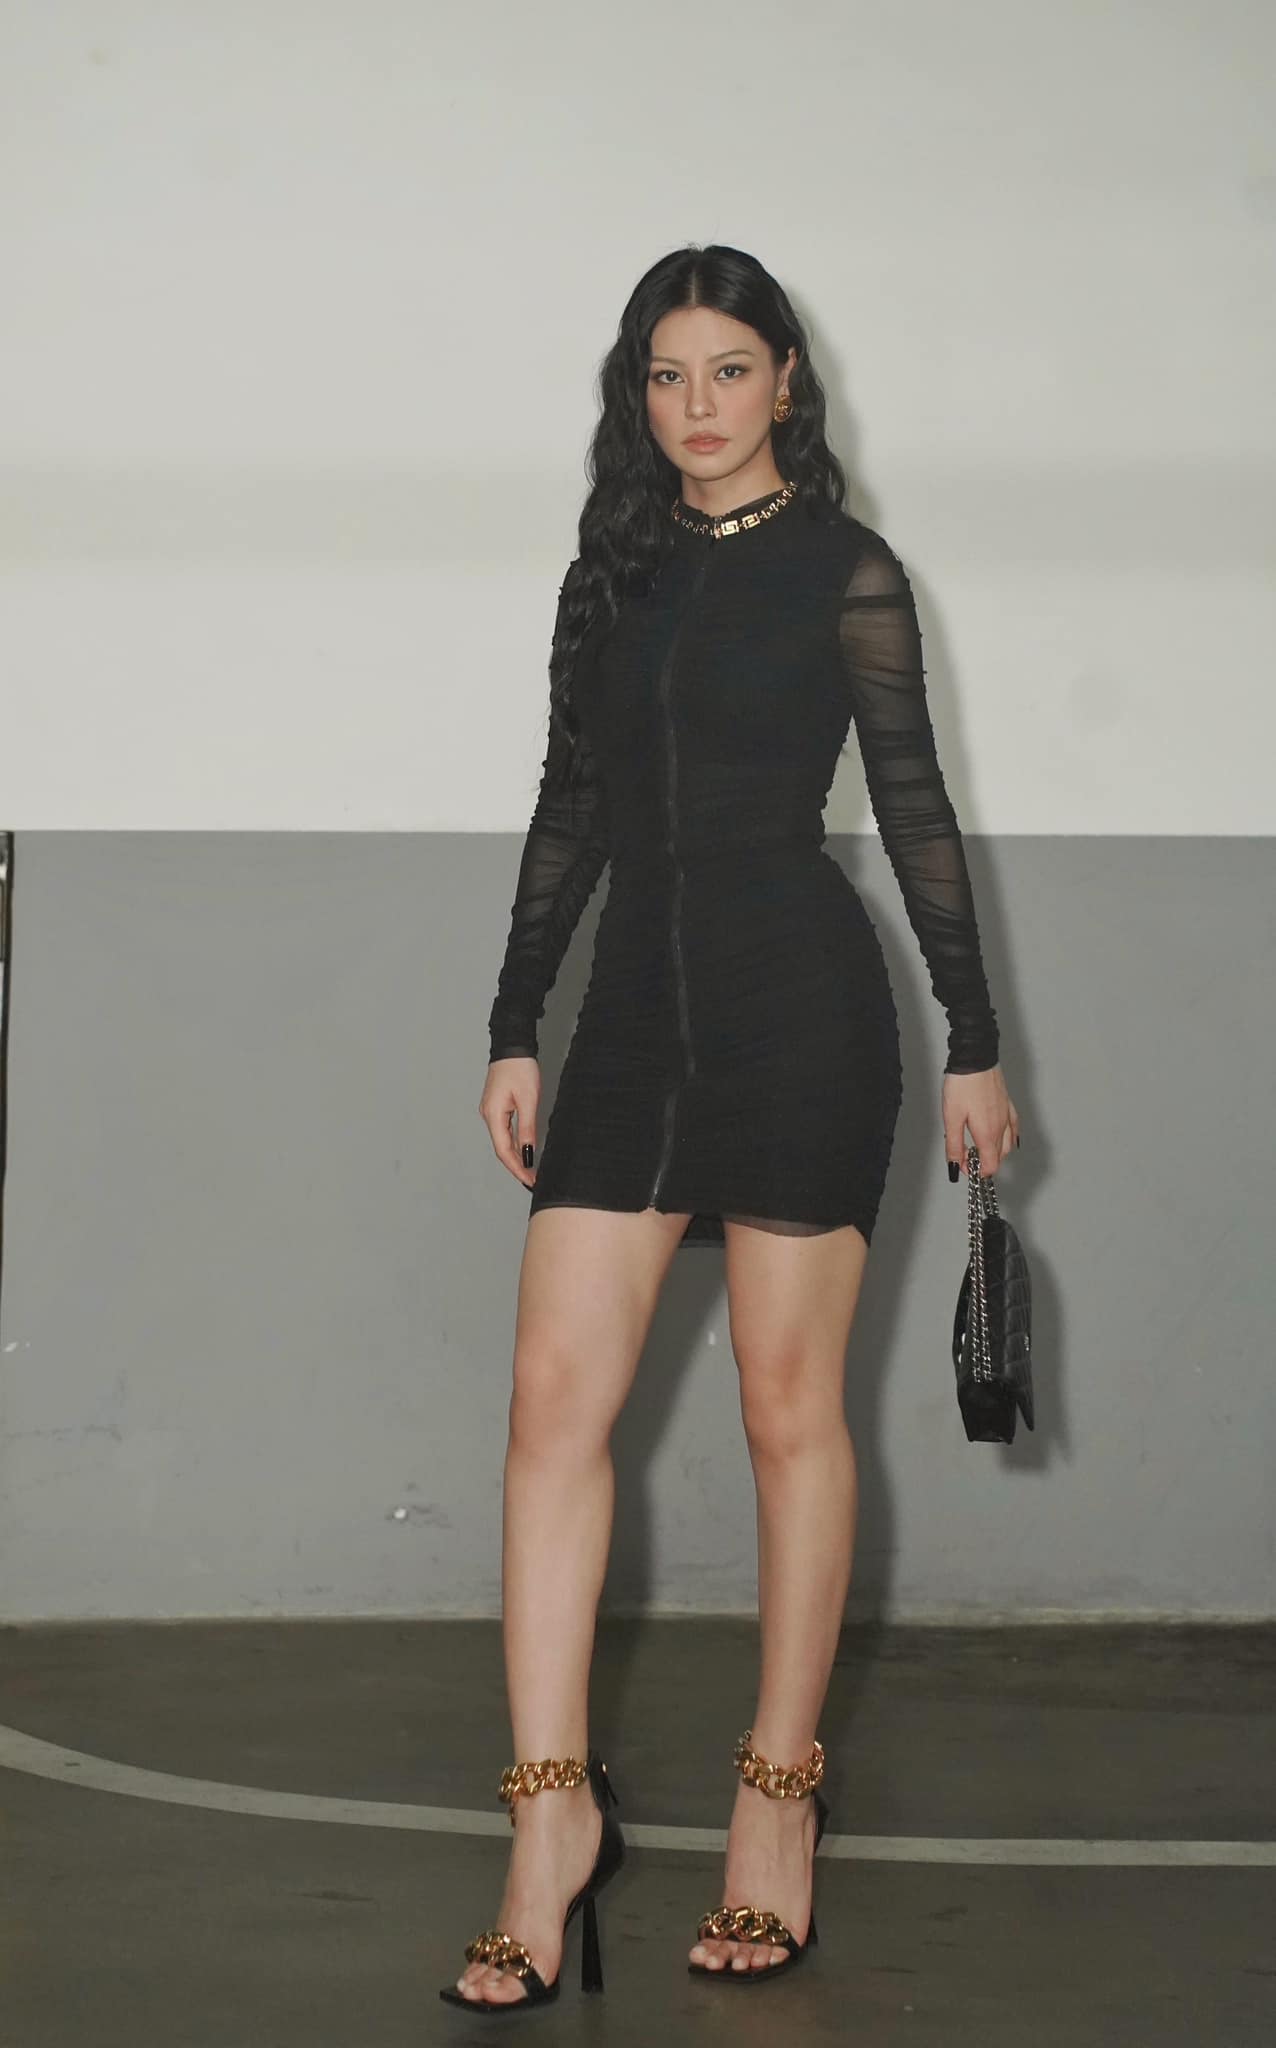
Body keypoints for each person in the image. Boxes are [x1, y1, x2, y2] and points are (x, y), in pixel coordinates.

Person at [440, 242, 1020, 2013]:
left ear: (785, 382)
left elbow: (914, 811)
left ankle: (778, 1805)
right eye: (666, 376)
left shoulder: (848, 571)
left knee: (787, 1413)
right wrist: (514, 1020)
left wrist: (976, 1044)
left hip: (800, 1013)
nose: (696, 407)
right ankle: (551, 1821)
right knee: (551, 1405)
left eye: (728, 371)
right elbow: (571, 806)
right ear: (640, 396)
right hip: (632, 1020)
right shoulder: (607, 574)